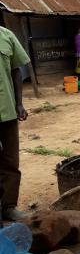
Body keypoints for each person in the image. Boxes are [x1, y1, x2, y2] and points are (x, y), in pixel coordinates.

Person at [0, 26, 30, 220]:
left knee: (10, 160)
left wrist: (19, 103)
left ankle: (9, 206)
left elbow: (16, 71)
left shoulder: (6, 35)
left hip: (7, 109)